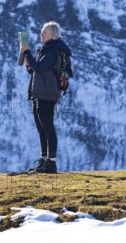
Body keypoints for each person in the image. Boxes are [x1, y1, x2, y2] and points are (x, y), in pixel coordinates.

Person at [20, 21, 72, 174]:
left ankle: (51, 163)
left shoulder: (53, 51)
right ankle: (44, 160)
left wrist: (27, 53)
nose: (41, 35)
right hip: (40, 93)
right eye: (41, 32)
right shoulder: (46, 50)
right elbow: (35, 70)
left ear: (53, 35)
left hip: (47, 94)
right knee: (41, 128)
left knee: (47, 128)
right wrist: (29, 64)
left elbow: (40, 67)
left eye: (44, 33)